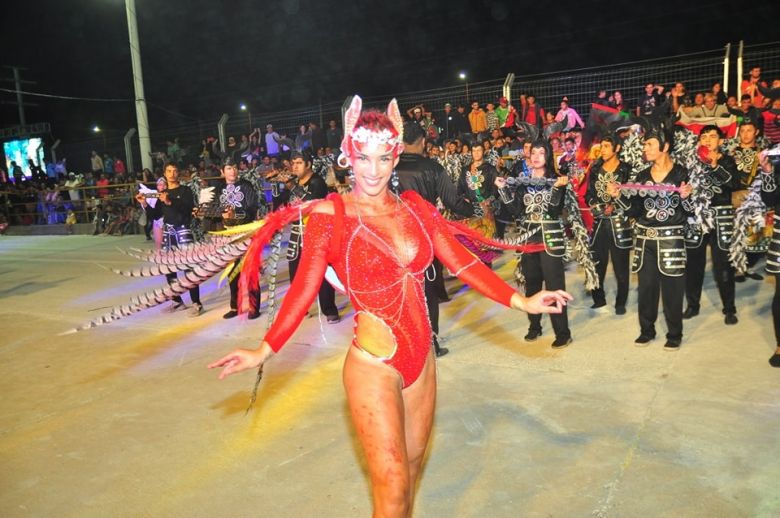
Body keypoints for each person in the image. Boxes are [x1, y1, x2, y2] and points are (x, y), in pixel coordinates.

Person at [208, 96, 572, 516]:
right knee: (393, 484)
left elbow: (462, 261)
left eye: (383, 158)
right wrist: (264, 349)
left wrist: (521, 300)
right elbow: (304, 287)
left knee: (412, 470)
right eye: (363, 157)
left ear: (396, 155)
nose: (374, 169)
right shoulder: (331, 215)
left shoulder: (416, 209)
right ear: (348, 154)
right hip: (374, 364)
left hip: (422, 361)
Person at [607, 125, 693, 349]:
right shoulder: (642, 176)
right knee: (646, 288)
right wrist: (618, 197)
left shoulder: (682, 173)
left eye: (650, 144)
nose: (645, 148)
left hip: (672, 240)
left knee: (673, 290)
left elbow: (692, 210)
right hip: (645, 241)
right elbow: (634, 210)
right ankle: (647, 330)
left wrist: (687, 197)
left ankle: (674, 334)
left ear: (664, 147)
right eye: (645, 144)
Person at [395, 122, 474, 357]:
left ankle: (405, 344)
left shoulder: (389, 166)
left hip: (394, 239)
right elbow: (452, 202)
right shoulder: (432, 167)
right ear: (422, 141)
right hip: (423, 238)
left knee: (402, 292)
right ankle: (431, 344)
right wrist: (473, 208)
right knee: (428, 291)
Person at [495, 140, 573, 348]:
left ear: (548, 156)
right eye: (534, 152)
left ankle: (563, 332)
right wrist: (504, 191)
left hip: (550, 238)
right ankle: (534, 326)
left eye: (542, 152)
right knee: (532, 285)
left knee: (555, 287)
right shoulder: (523, 182)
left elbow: (555, 211)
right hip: (529, 238)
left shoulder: (558, 180)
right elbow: (517, 212)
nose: (537, 156)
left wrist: (557, 189)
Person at [135, 162, 204, 317]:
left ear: (178, 173)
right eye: (169, 171)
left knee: (189, 268)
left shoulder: (185, 190)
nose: (172, 174)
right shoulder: (162, 193)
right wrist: (144, 204)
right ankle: (177, 300)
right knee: (169, 269)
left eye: (175, 171)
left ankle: (197, 303)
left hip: (183, 230)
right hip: (169, 233)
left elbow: (188, 209)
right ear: (165, 174)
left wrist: (169, 201)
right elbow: (156, 215)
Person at [285, 150, 340, 323]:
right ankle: (301, 308)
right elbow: (286, 206)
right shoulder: (292, 183)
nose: (295, 166)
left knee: (321, 273)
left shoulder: (317, 182)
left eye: (299, 163)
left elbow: (313, 202)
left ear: (309, 164)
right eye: (293, 163)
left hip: (316, 234)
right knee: (295, 274)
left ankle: (329, 310)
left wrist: (292, 187)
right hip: (296, 233)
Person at [586, 135, 633, 313]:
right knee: (597, 263)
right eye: (602, 146)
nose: (603, 149)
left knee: (621, 265)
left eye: (606, 146)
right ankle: (599, 299)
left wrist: (614, 205)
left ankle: (621, 302)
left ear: (617, 148)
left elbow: (631, 194)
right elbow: (589, 194)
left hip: (619, 223)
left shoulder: (626, 169)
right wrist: (595, 205)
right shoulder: (596, 168)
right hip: (599, 224)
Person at [214, 158, 261, 320]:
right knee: (232, 273)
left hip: (245, 234)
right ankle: (236, 306)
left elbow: (252, 209)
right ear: (222, 171)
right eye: (228, 168)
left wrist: (236, 215)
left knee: (250, 271)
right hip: (228, 236)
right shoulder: (218, 189)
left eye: (234, 167)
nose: (232, 171)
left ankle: (254, 307)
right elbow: (214, 213)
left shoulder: (246, 186)